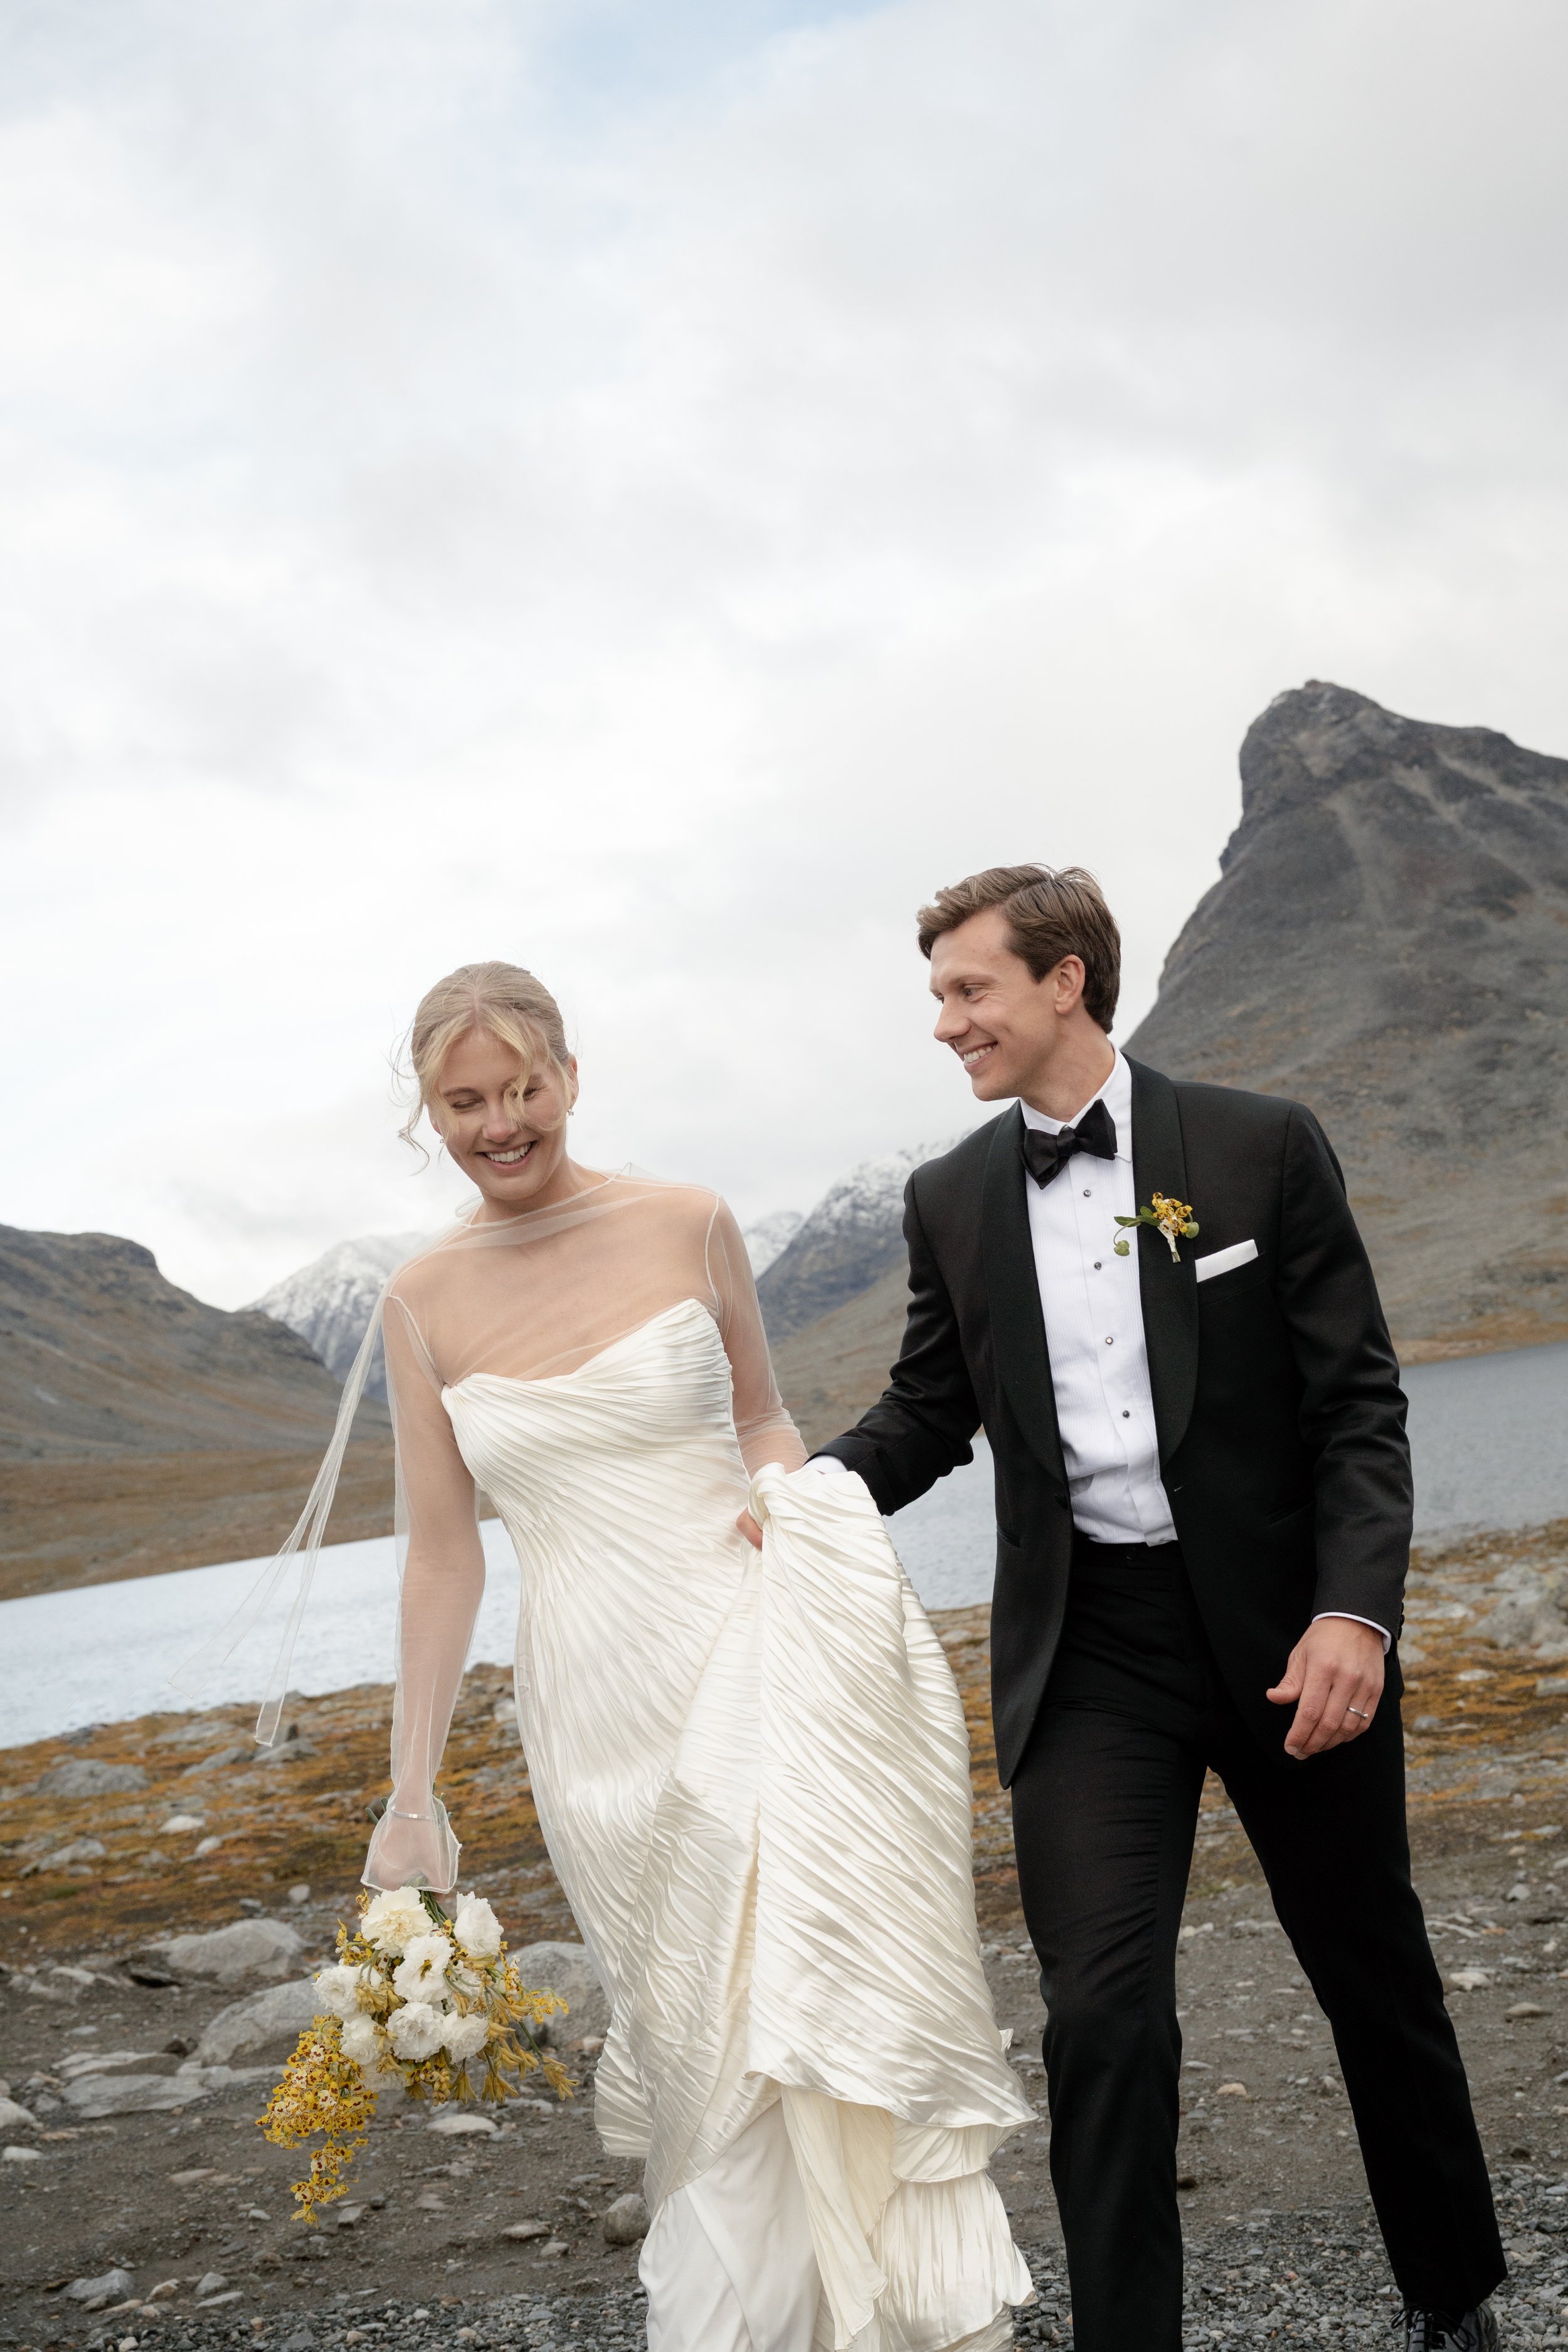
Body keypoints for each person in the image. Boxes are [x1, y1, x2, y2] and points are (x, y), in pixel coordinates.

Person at [191, 960, 1033, 2352]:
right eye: (465, 1102)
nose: (500, 1122)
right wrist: (411, 1798)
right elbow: (442, 1554)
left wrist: (795, 1503)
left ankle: (897, 2323)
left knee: (812, 1984)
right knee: (697, 2033)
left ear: (570, 1078)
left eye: (523, 1089)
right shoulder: (421, 1299)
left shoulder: (688, 1222)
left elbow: (763, 1418)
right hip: (594, 1712)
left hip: (756, 1651)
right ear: (428, 1112)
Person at [808, 866, 1505, 2352]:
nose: (944, 1024)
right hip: (1093, 1656)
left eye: (966, 989)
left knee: (1369, 1976)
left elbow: (1358, 1407)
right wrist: (799, 1501)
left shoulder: (1258, 1149)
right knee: (1100, 2018)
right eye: (937, 995)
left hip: (1282, 1637)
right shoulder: (950, 1199)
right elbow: (927, 1411)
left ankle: (1454, 2298)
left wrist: (1353, 1618)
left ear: (1063, 980)